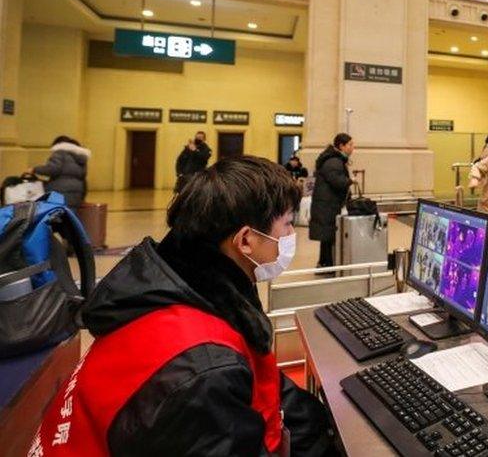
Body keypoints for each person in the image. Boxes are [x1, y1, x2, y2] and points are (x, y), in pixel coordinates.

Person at [34, 156, 335, 455]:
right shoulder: (202, 370)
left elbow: (263, 386)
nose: (290, 237)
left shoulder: (176, 288)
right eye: (286, 225)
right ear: (245, 241)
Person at [310, 133, 354, 269]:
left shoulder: (333, 159)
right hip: (327, 205)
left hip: (326, 204)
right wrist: (350, 180)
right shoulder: (334, 161)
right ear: (341, 146)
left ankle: (325, 263)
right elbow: (337, 181)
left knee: (327, 237)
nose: (353, 148)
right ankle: (327, 264)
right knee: (328, 236)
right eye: (350, 145)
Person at [29, 135, 90, 209]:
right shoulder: (80, 157)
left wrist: (35, 169)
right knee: (69, 215)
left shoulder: (60, 153)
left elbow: (53, 169)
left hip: (60, 192)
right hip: (77, 194)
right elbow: (83, 178)